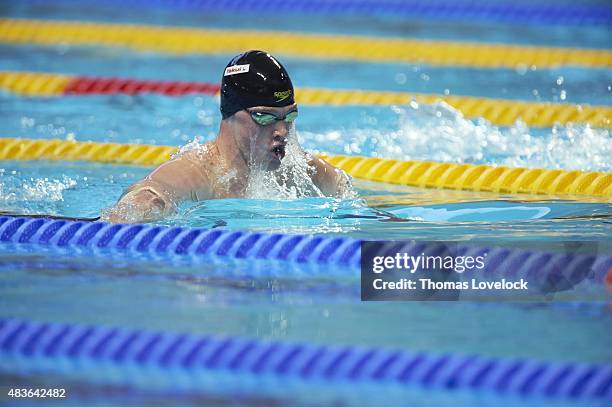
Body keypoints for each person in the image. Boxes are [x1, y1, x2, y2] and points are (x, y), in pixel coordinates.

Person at [104, 50, 352, 223]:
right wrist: (143, 205)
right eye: (265, 117)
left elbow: (353, 201)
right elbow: (151, 193)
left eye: (289, 117)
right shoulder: (201, 172)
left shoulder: (298, 171)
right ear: (232, 114)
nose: (282, 131)